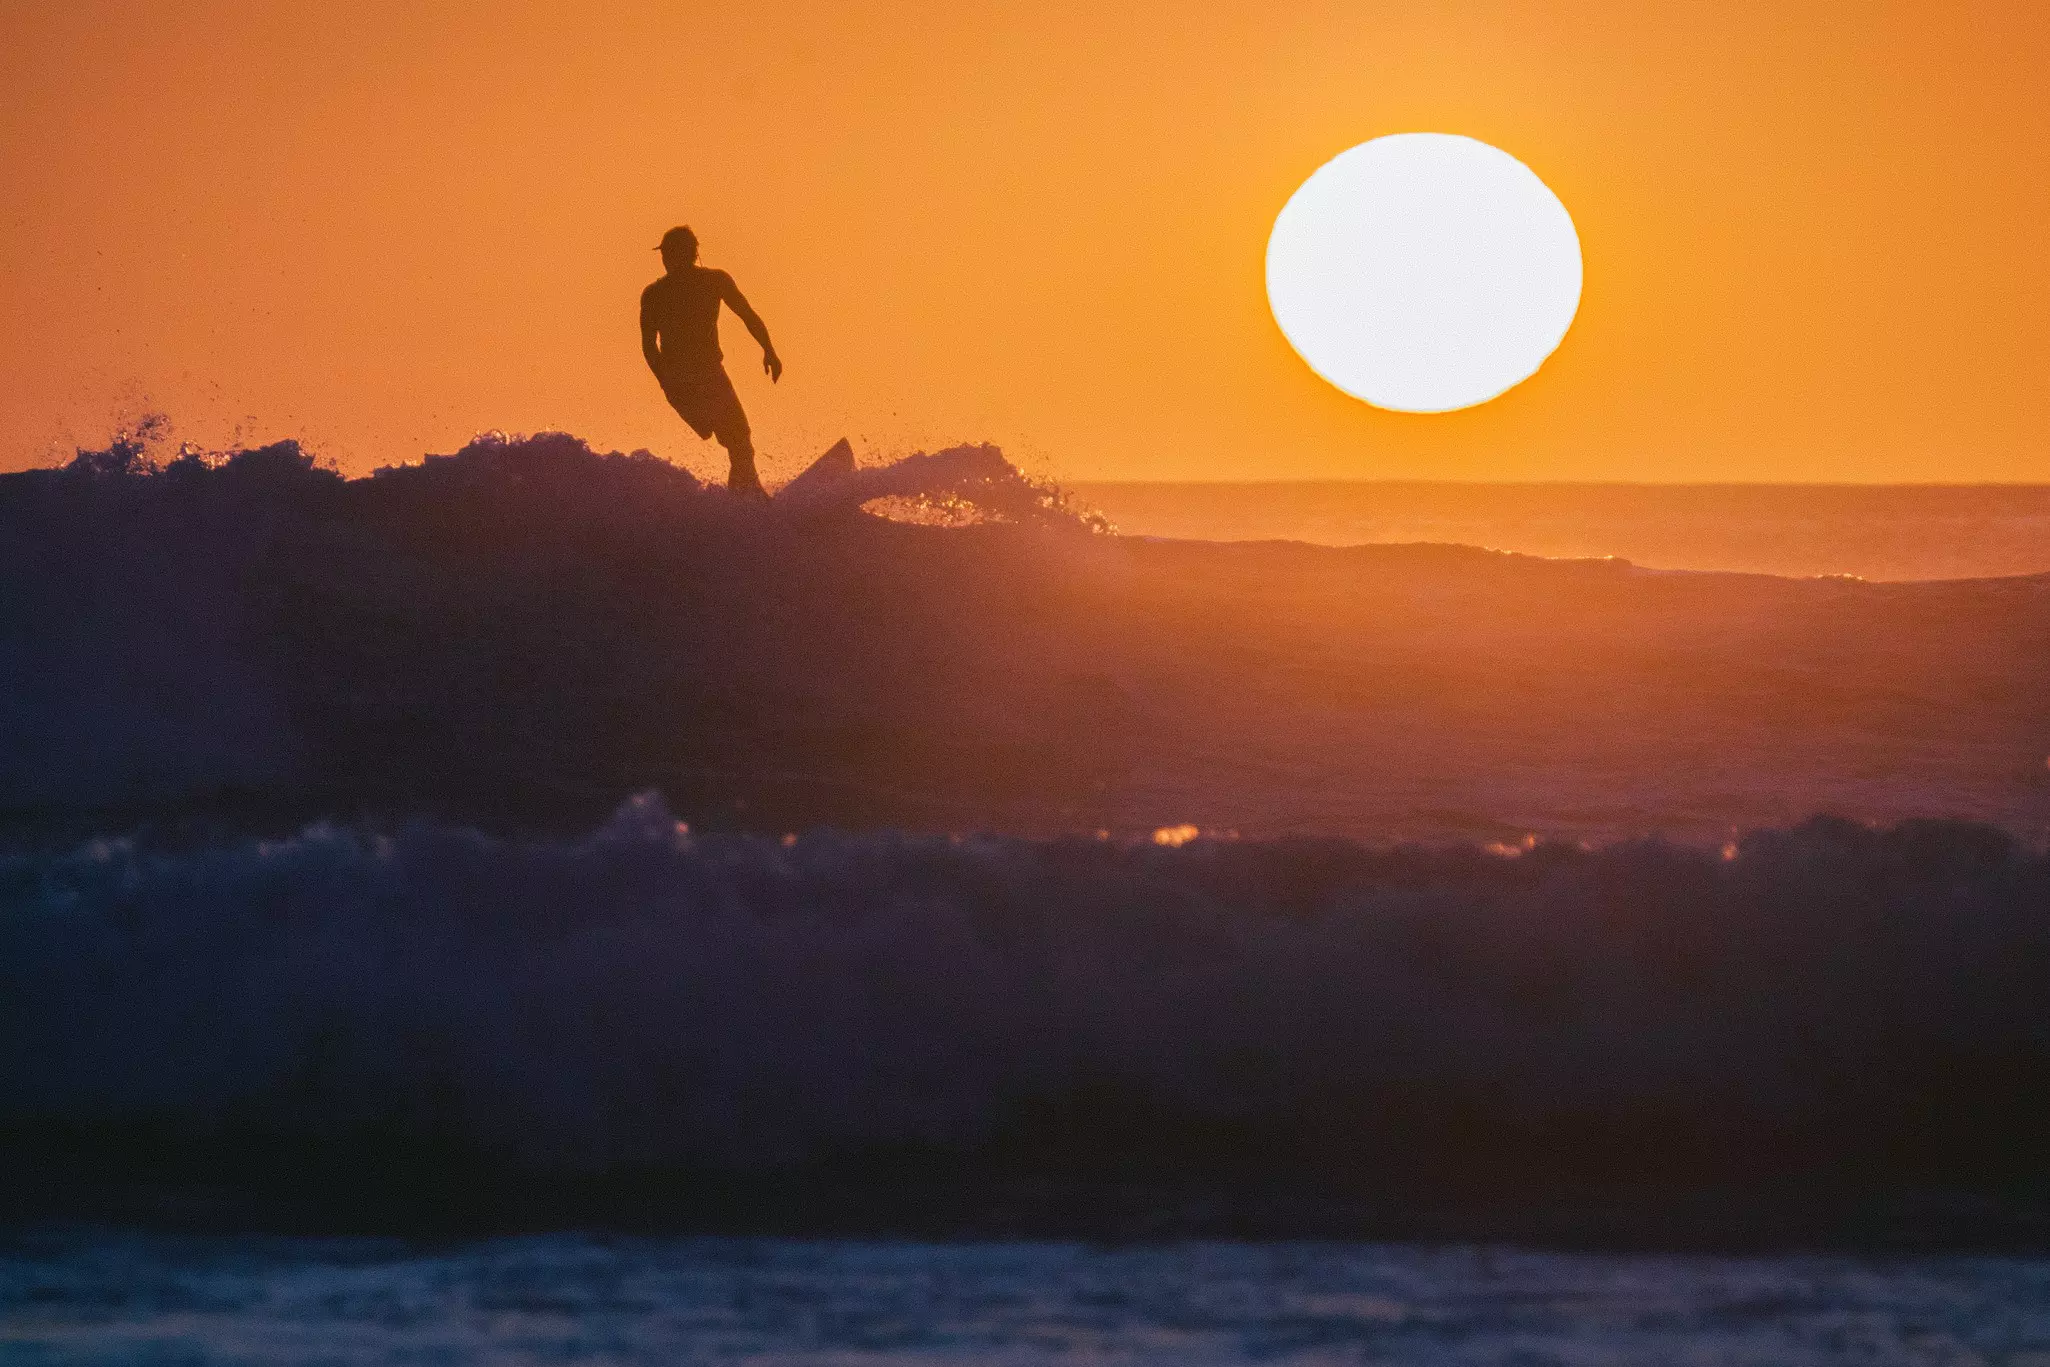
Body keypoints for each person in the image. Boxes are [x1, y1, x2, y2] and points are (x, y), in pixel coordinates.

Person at [641, 226, 782, 496]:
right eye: (665, 254)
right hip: (694, 378)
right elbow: (648, 346)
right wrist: (668, 383)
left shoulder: (709, 282)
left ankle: (744, 498)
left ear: (690, 253)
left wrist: (769, 350)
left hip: (697, 377)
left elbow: (747, 315)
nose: (666, 259)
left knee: (738, 442)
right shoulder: (659, 293)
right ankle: (746, 501)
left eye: (671, 253)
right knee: (739, 441)